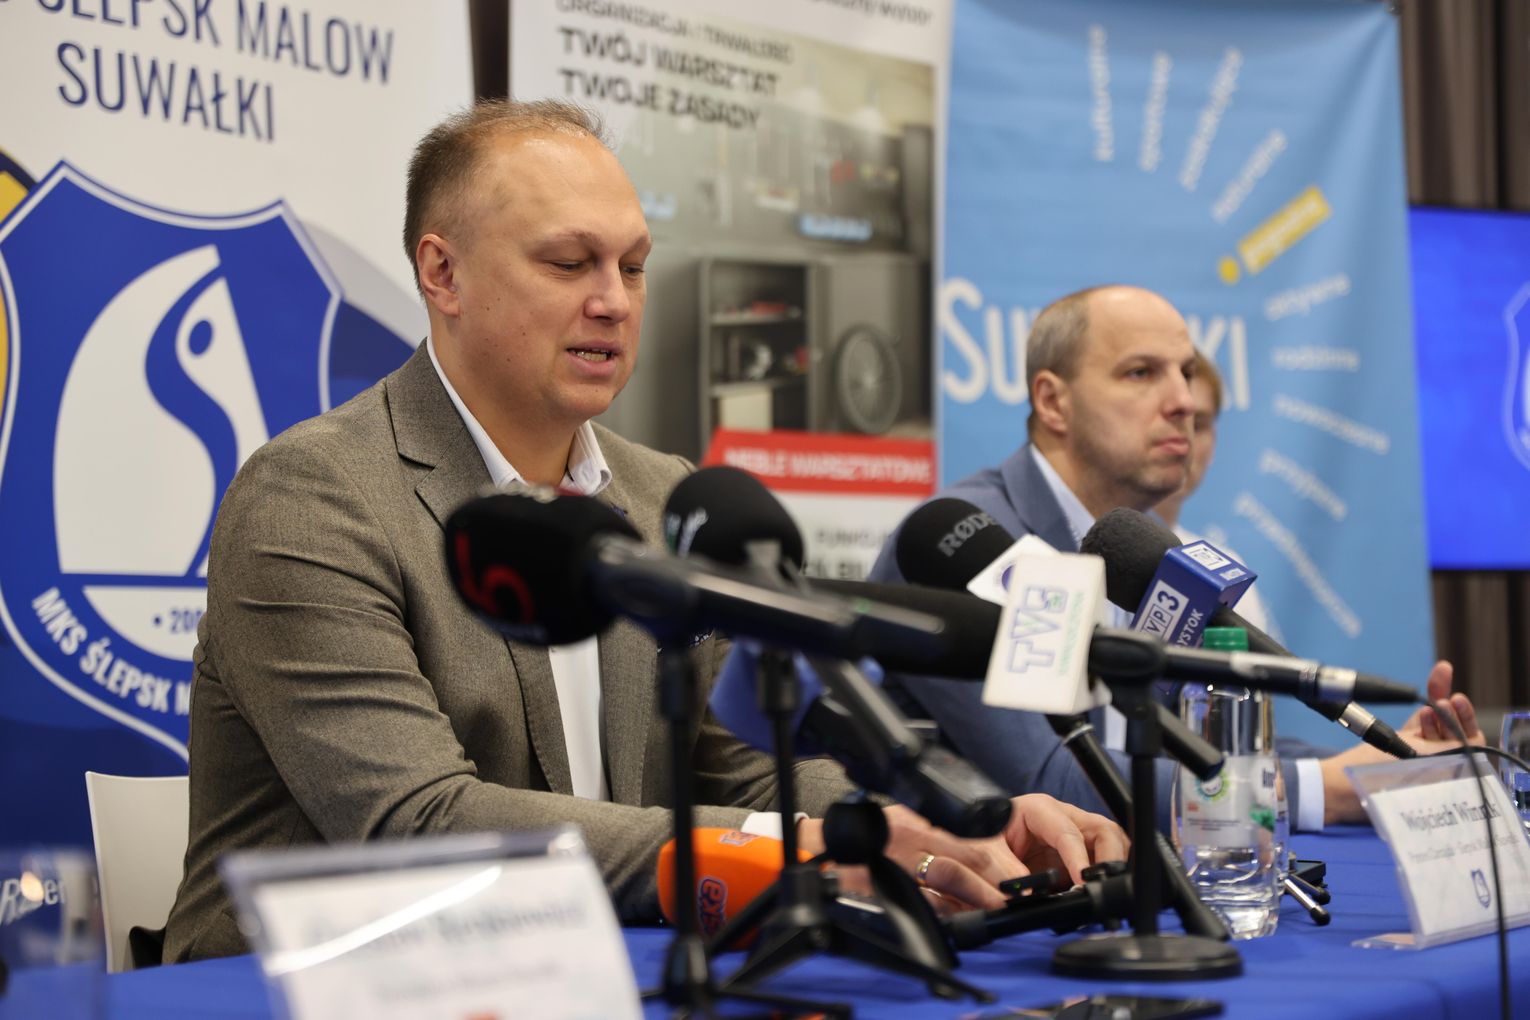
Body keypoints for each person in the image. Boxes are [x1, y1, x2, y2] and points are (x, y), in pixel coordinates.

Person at [161, 101, 1125, 962]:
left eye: (632, 267)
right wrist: (784, 851)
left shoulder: (670, 499)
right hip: (308, 981)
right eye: (568, 263)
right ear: (442, 272)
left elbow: (745, 770)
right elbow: (417, 820)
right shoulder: (312, 496)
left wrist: (934, 827)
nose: (615, 301)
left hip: (583, 966)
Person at [867, 284, 1481, 831]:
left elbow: (1200, 749)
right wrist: (1331, 789)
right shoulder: (968, 544)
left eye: (1185, 372)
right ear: (1053, 403)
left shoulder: (1145, 550)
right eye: (1141, 373)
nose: (1184, 401)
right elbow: (1055, 780)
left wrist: (1393, 763)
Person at [1153, 349, 1275, 636]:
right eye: (1170, 419)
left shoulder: (1224, 573)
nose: (1183, 439)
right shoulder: (1068, 552)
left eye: (1198, 425)